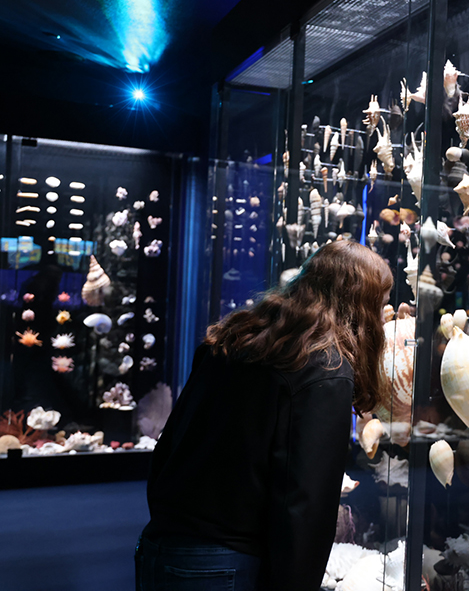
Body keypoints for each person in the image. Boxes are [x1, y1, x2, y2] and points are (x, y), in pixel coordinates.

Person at [135, 240, 392, 590]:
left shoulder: (234, 337)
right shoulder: (326, 366)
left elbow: (171, 444)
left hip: (163, 547)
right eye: (382, 304)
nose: (383, 317)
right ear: (360, 307)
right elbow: (307, 503)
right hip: (227, 563)